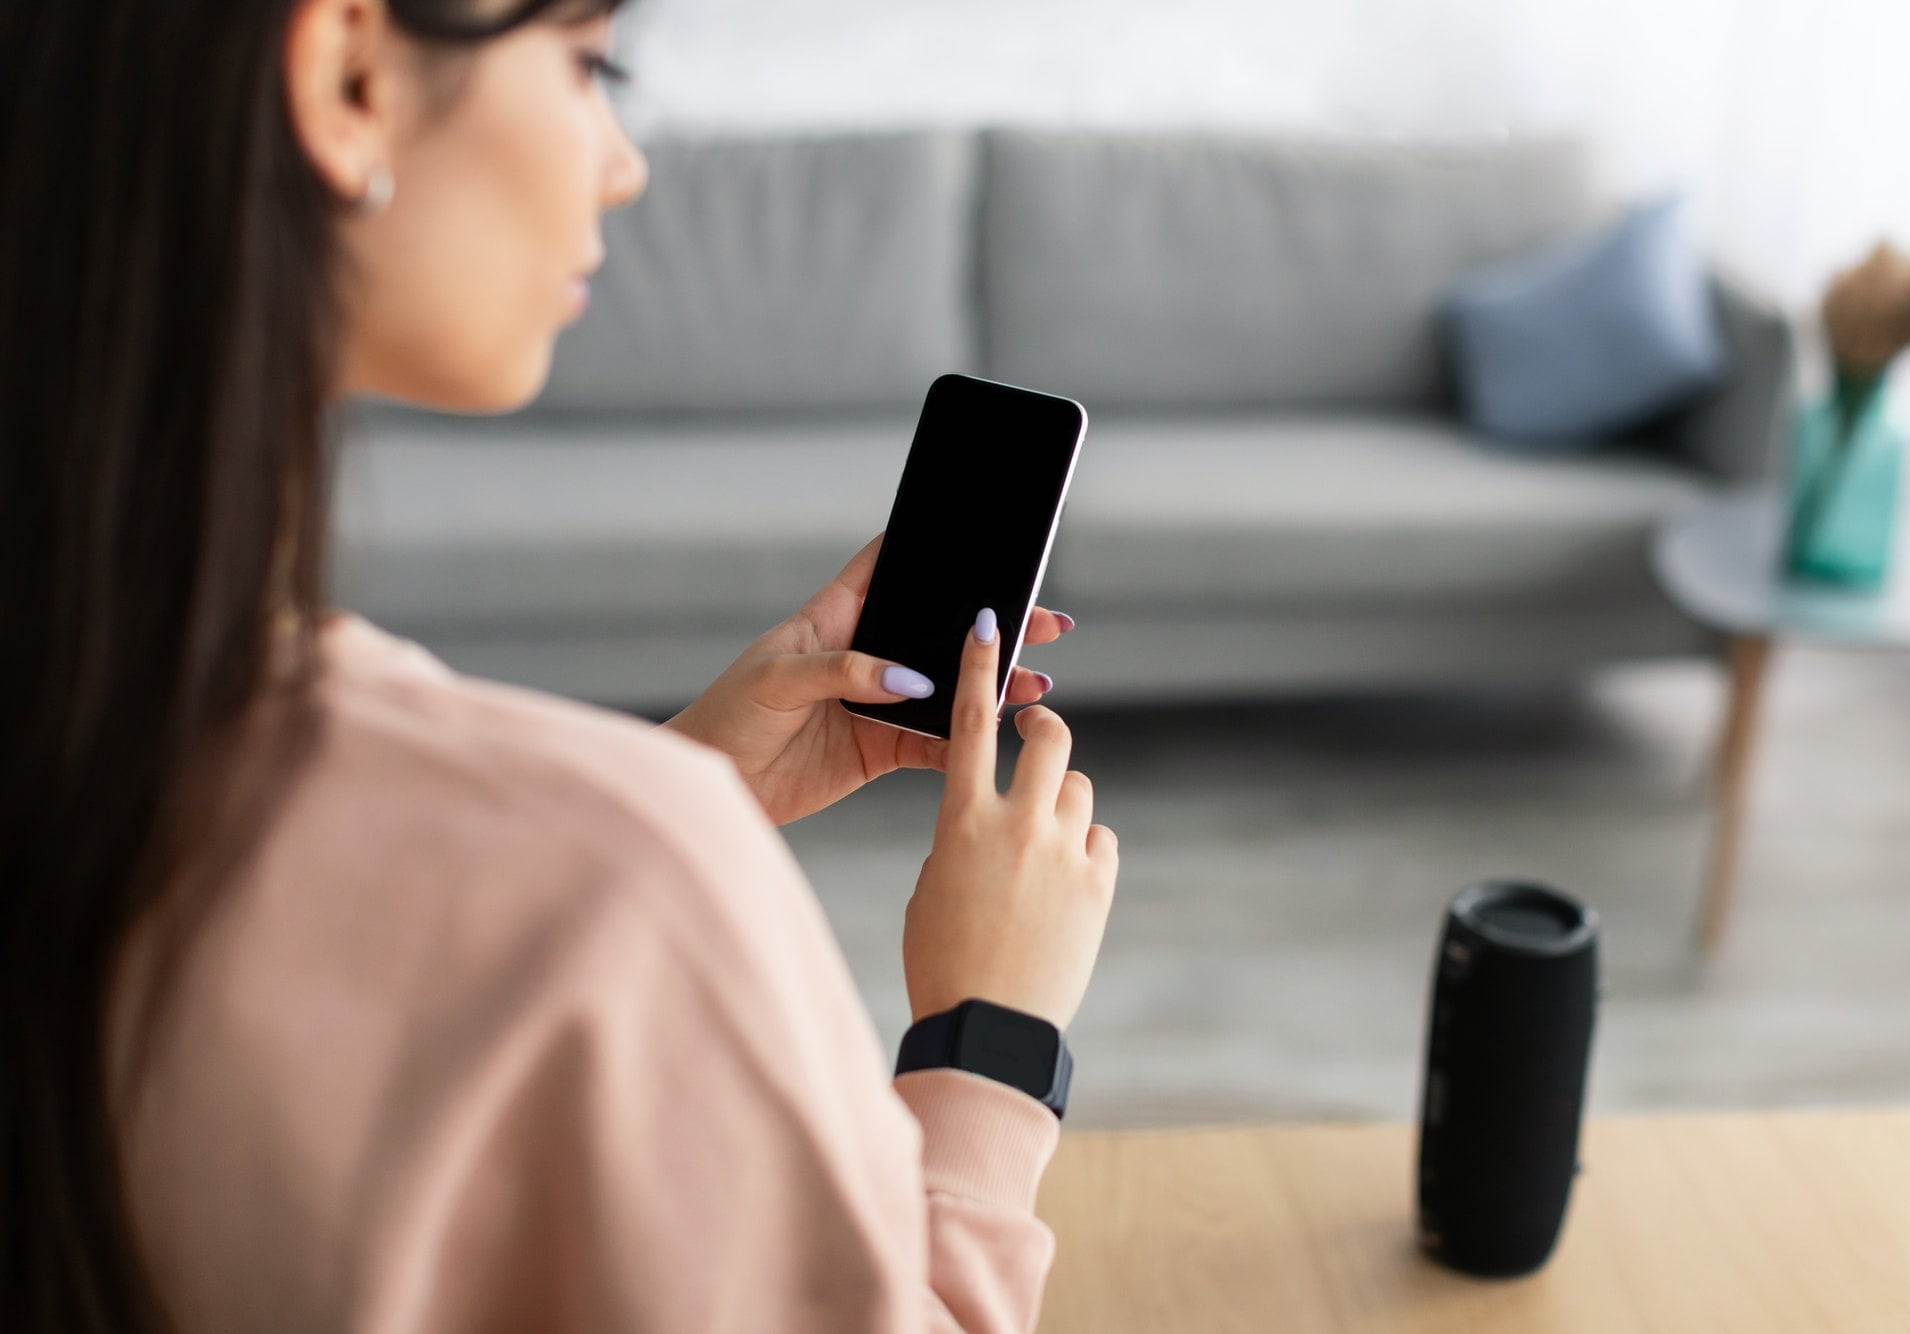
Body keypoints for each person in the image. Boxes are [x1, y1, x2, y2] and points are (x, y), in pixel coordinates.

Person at [0, 1, 1119, 1330]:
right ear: (348, 73)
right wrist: (990, 1034)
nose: (624, 161)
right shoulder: (623, 881)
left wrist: (656, 786)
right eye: (591, 63)